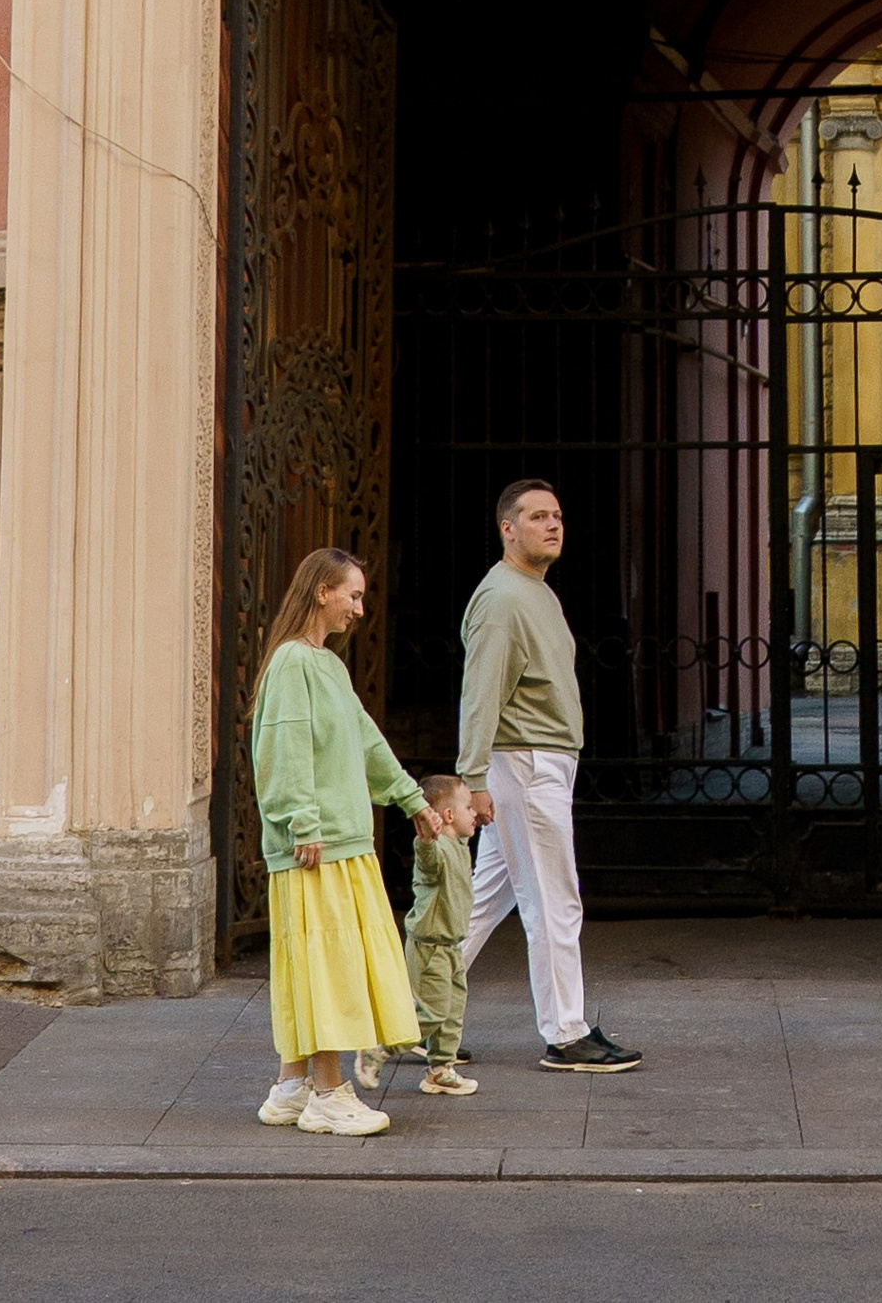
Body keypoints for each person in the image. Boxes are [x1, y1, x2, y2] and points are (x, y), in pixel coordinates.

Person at [250, 544, 440, 1139]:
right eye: (353, 595)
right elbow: (284, 747)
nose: (360, 609)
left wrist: (412, 798)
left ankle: (292, 1086)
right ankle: (330, 1093)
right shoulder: (292, 663)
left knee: (315, 962)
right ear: (321, 593)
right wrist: (302, 823)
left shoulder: (326, 666)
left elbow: (365, 741)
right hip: (319, 845)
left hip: (337, 842)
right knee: (326, 967)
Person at [457, 476, 641, 1074]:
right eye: (536, 516)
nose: (552, 524)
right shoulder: (503, 598)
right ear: (506, 528)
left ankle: (406, 1015)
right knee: (555, 903)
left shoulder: (534, 591)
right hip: (526, 764)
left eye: (557, 515)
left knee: (484, 901)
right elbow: (480, 693)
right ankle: (566, 1032)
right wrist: (473, 776)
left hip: (535, 763)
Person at [400, 772, 486, 1096]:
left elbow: (473, 822)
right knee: (432, 1012)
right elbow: (428, 861)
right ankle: (386, 1045)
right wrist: (425, 837)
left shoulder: (461, 845)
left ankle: (441, 1070)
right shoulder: (436, 849)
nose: (473, 811)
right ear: (448, 816)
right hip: (431, 947)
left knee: (452, 1013)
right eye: (467, 807)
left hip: (451, 946)